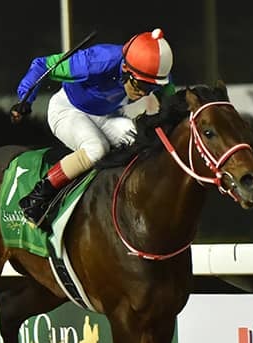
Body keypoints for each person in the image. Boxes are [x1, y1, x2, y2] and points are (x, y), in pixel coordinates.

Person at [10, 28, 176, 227]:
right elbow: (42, 64)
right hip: (68, 109)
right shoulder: (96, 62)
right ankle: (38, 196)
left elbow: (169, 97)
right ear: (125, 69)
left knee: (141, 145)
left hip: (107, 115)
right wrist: (25, 98)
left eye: (151, 87)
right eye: (141, 86)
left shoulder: (155, 72)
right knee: (97, 149)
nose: (145, 93)